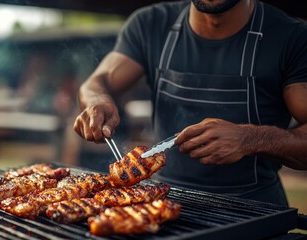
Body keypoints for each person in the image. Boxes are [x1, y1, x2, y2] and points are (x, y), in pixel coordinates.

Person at [73, 0, 307, 206]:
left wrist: (250, 139)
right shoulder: (150, 24)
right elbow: (97, 82)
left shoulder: (292, 37)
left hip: (256, 209)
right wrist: (97, 101)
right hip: (163, 202)